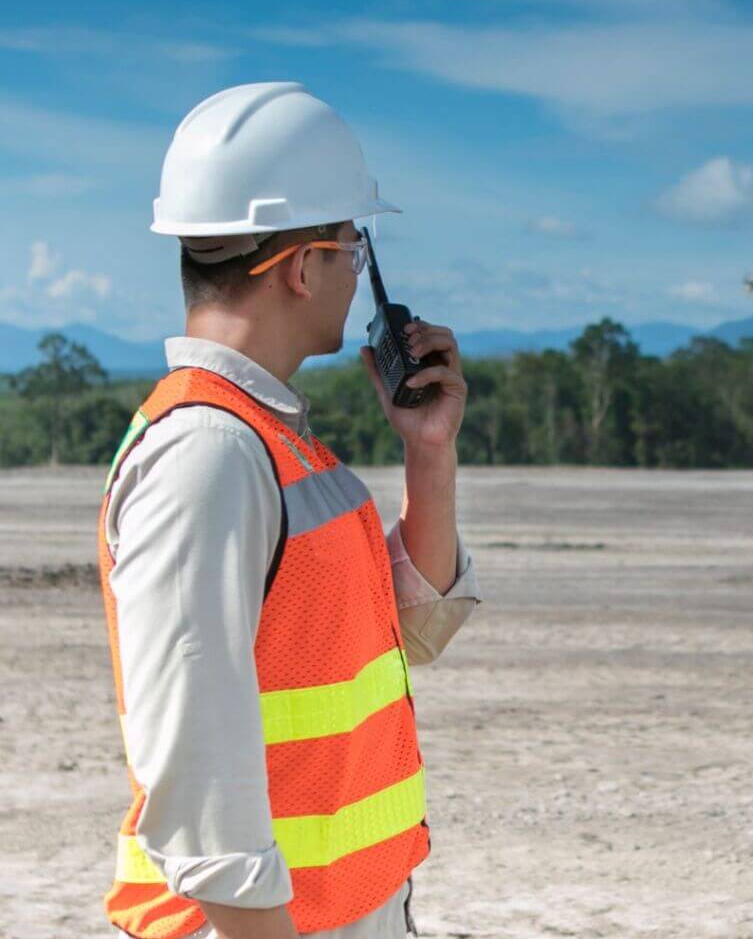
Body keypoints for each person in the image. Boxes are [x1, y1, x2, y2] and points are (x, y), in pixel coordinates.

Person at [97, 82, 480, 939]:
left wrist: (430, 453)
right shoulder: (208, 454)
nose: (359, 274)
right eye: (354, 247)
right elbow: (197, 772)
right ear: (304, 268)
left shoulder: (274, 444)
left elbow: (412, 631)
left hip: (336, 912)